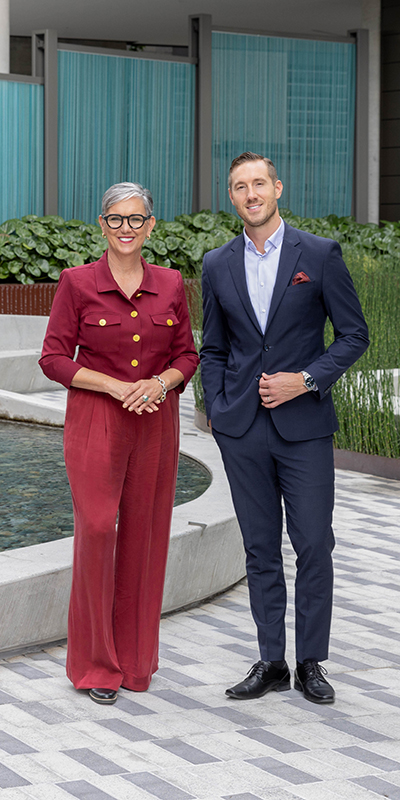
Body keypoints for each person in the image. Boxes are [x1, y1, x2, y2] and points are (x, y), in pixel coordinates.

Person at [200, 153, 369, 704]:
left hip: (305, 427)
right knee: (259, 547)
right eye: (239, 186)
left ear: (277, 188)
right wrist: (219, 409)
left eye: (259, 183)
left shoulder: (318, 254)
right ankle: (271, 660)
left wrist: (306, 380)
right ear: (231, 196)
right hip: (242, 429)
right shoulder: (216, 263)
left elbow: (353, 334)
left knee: (315, 543)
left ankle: (310, 662)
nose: (250, 194)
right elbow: (213, 348)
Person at [39, 182, 199, 705]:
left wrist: (160, 383)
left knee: (144, 536)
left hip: (155, 420)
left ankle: (133, 663)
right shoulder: (76, 282)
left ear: (150, 226)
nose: (125, 228)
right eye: (115, 218)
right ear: (102, 224)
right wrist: (113, 386)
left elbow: (187, 355)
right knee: (95, 530)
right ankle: (94, 667)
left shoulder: (171, 283)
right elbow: (53, 358)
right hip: (96, 419)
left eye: (135, 219)